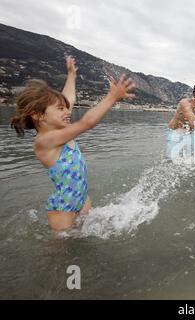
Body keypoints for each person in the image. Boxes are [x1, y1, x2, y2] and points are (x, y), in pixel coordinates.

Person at [10, 56, 136, 231]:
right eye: (60, 109)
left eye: (66, 108)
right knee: (61, 252)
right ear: (38, 115)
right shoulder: (45, 140)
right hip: (63, 208)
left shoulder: (62, 131)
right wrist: (111, 98)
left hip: (82, 198)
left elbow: (69, 98)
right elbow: (86, 123)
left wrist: (71, 75)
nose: (67, 111)